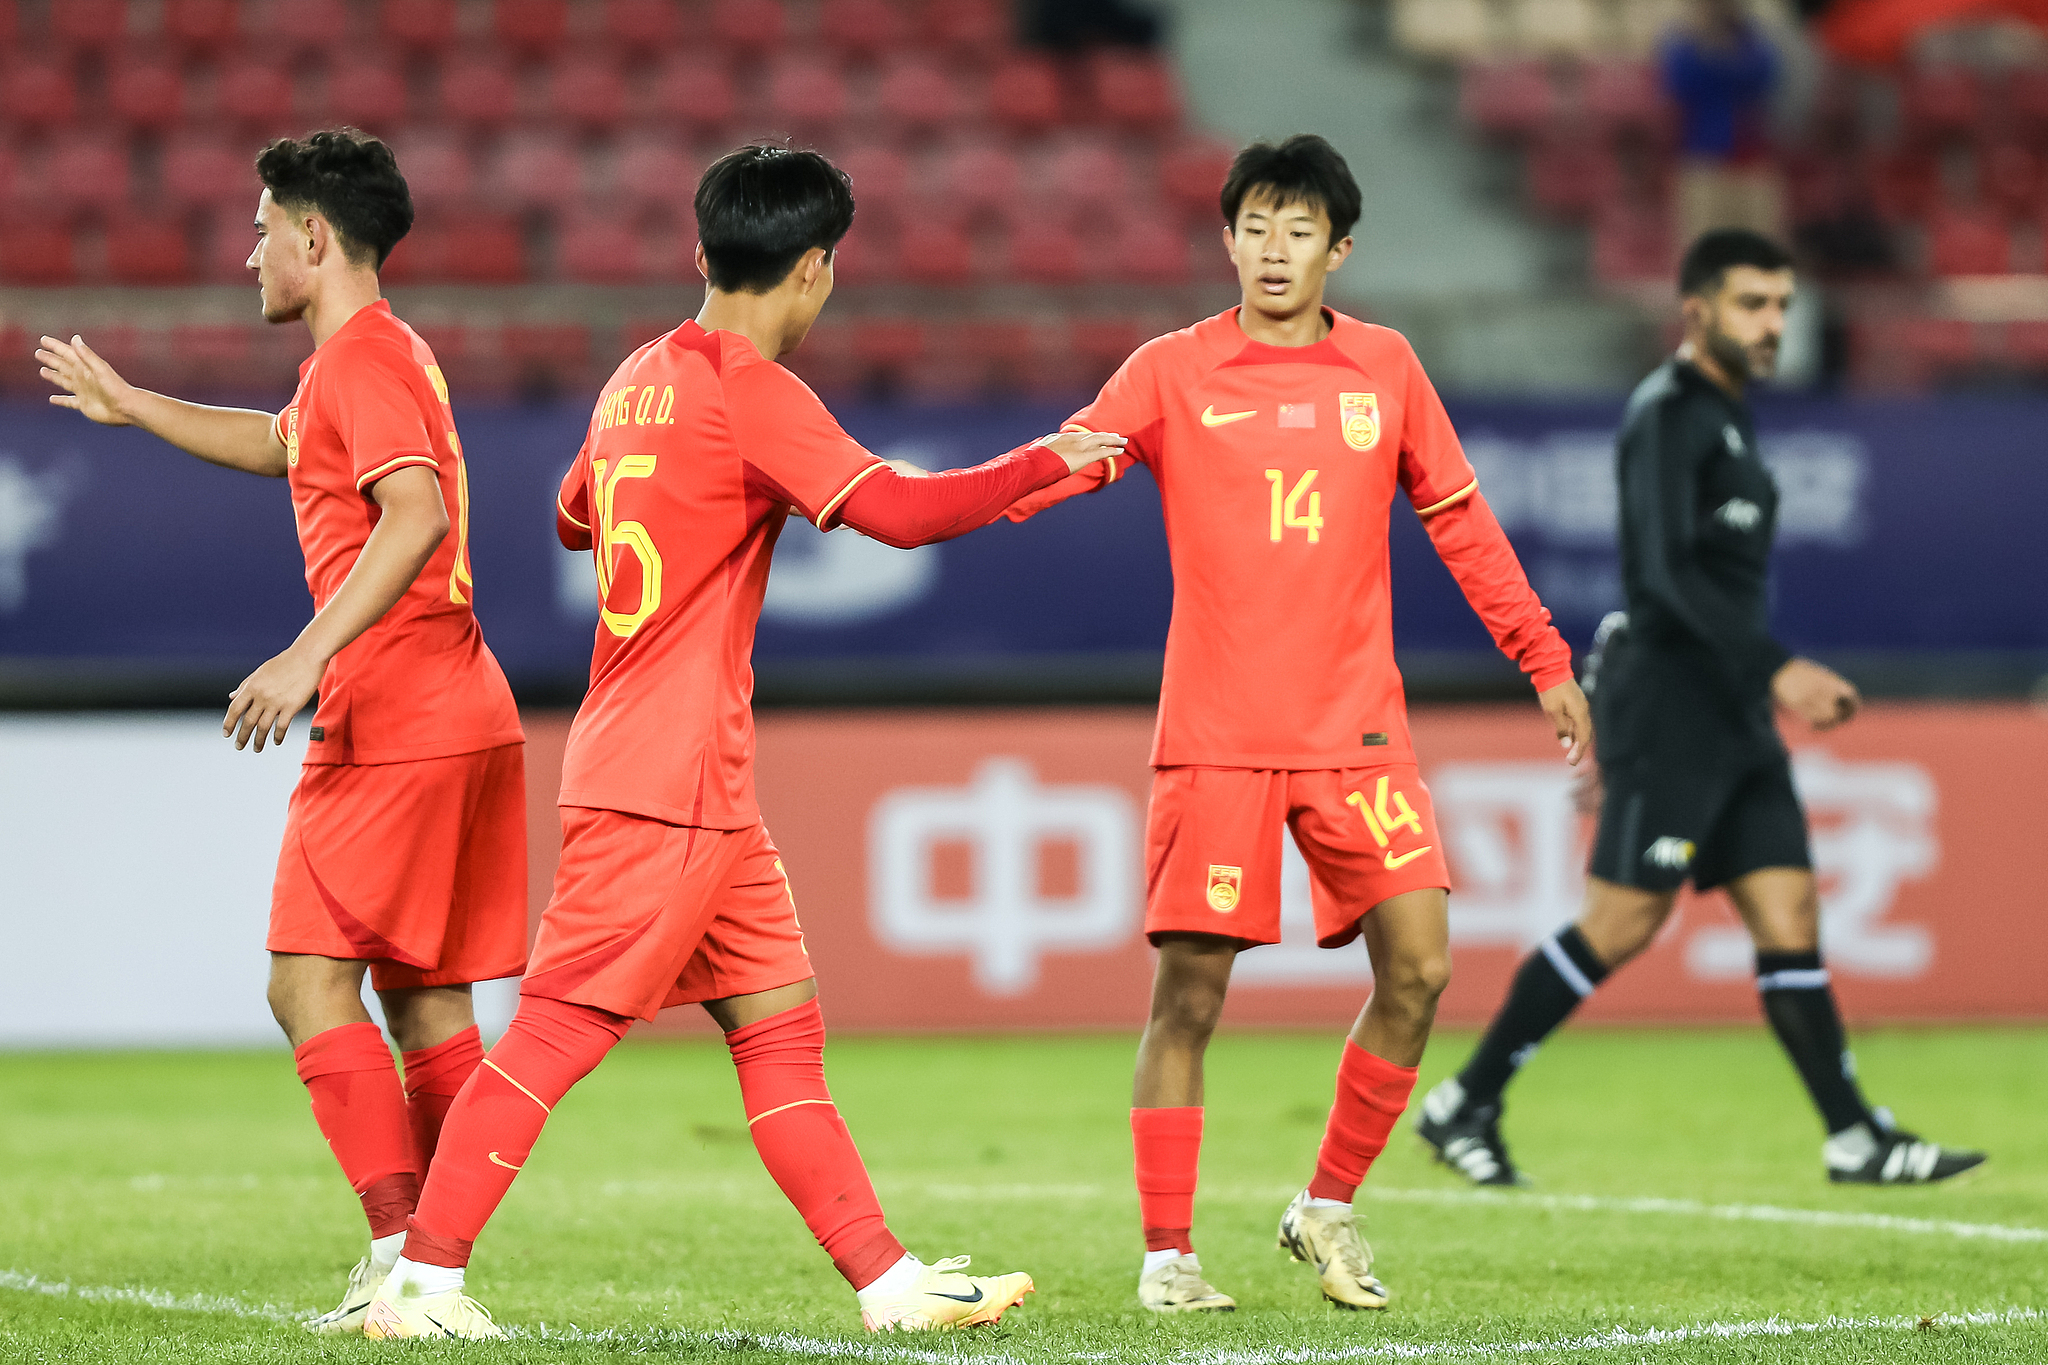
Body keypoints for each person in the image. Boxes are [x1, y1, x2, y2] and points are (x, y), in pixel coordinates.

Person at [359, 145, 1126, 1340]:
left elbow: (571, 518)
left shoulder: (636, 377)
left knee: (778, 1020)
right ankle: (424, 1281)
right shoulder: (749, 387)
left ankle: (887, 1285)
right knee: (561, 1023)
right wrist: (1053, 466)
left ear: (700, 250)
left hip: (680, 771)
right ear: (815, 269)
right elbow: (902, 515)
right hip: (664, 776)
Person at [1001, 134, 1593, 1314]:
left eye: (1299, 229)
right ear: (1225, 239)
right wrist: (975, 493)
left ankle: (1324, 1203)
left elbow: (1462, 526)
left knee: (1420, 967)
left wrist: (1541, 656)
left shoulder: (1384, 367)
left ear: (1338, 247)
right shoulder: (1170, 370)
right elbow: (1072, 455)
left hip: (1354, 730)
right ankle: (1167, 1255)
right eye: (1255, 227)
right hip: (1216, 733)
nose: (1274, 250)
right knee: (1189, 1000)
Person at [35, 129, 528, 1332]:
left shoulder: (360, 361)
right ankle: (435, 1274)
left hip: (394, 711)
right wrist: (137, 403)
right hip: (459, 705)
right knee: (426, 1008)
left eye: (264, 228)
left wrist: (310, 654)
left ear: (315, 234)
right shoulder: (364, 363)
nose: (249, 251)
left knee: (306, 987)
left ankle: (406, 1256)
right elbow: (282, 444)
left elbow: (409, 516)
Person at [1416, 229, 1986, 1190]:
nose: (1773, 324)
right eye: (1752, 303)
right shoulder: (1668, 414)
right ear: (1697, 311)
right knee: (1623, 922)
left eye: (1781, 305)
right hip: (1674, 709)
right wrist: (1775, 665)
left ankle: (1854, 1135)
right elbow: (1663, 577)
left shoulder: (1730, 415)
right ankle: (1464, 1099)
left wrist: (1756, 680)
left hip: (1732, 714)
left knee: (1788, 907)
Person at [1663, 0, 1784, 247]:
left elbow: (1765, 75)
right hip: (1702, 158)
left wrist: (1718, 60)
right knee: (1704, 247)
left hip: (1750, 156)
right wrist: (1717, 53)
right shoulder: (1682, 41)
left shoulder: (1753, 40)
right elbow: (1681, 82)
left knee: (1756, 247)